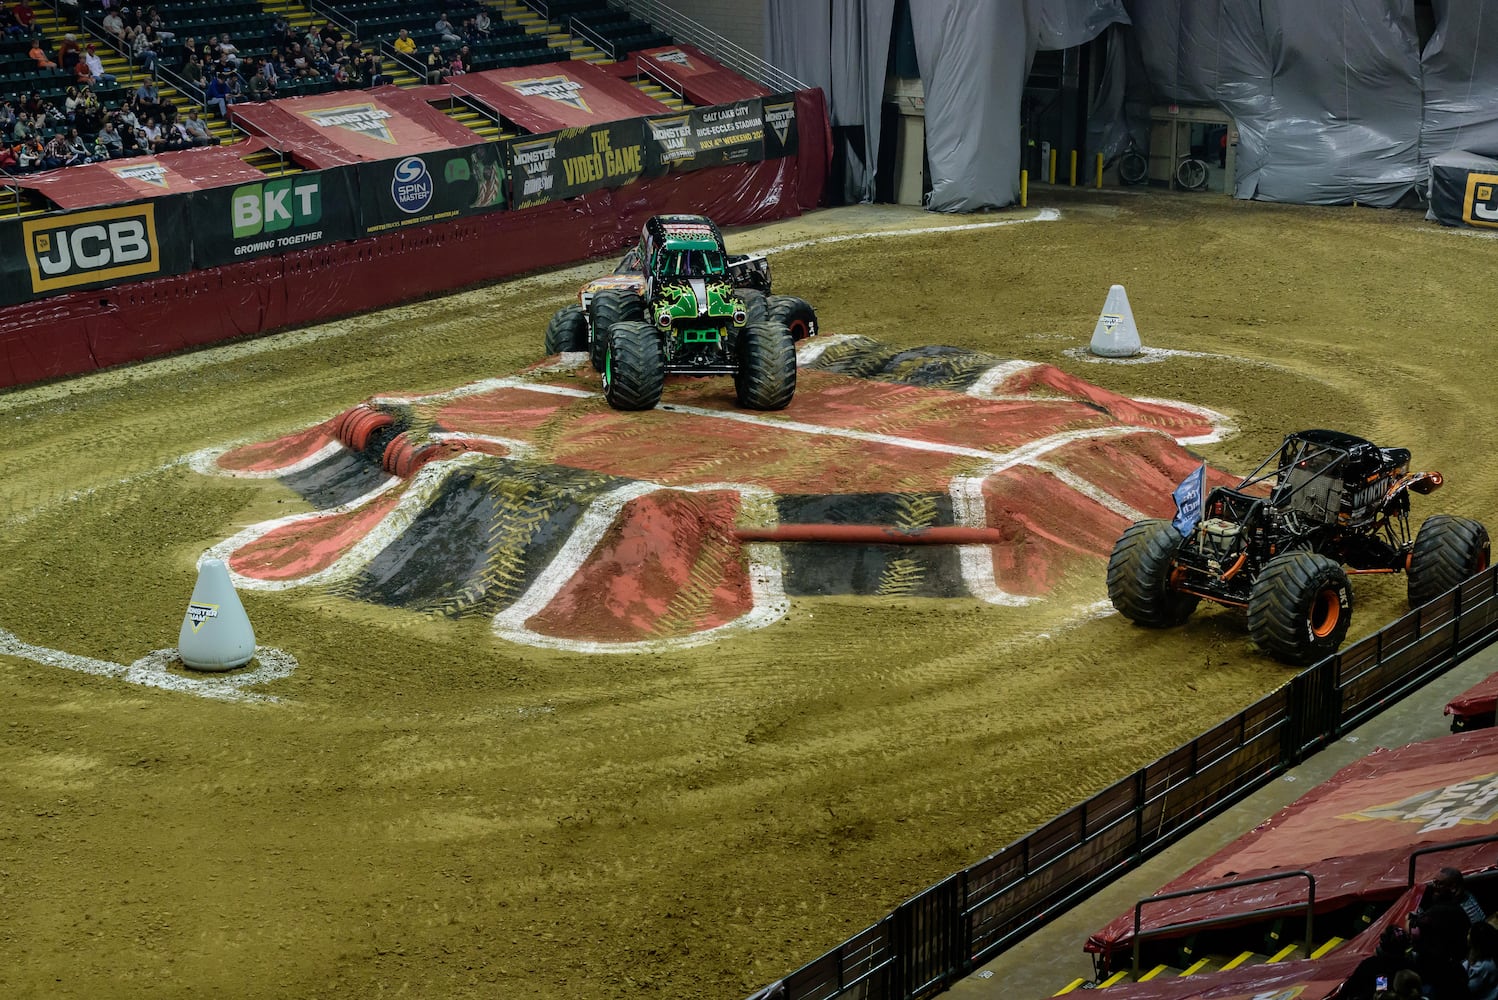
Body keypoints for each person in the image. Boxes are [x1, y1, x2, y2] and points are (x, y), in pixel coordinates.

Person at [1469, 920, 1498, 1000]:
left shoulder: (1483, 966)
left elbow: (1469, 990)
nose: (1467, 936)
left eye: (1469, 934)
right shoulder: (1490, 954)